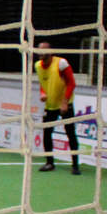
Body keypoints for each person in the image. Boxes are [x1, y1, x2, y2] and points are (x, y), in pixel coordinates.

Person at [33, 41, 80, 175]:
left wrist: (65, 102)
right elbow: (43, 82)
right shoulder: (38, 66)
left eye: (43, 50)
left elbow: (71, 83)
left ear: (50, 52)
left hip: (65, 104)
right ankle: (49, 162)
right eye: (39, 50)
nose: (40, 53)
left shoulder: (61, 63)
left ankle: (75, 165)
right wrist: (42, 93)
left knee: (70, 133)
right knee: (47, 133)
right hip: (50, 105)